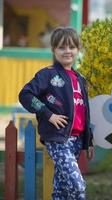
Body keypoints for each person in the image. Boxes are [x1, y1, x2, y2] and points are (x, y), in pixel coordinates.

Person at [19, 27, 94, 200]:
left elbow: (84, 112)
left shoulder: (80, 79)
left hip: (76, 141)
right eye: (62, 47)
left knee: (61, 191)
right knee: (78, 187)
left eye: (71, 47)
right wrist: (48, 114)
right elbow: (26, 94)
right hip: (58, 139)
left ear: (78, 49)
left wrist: (88, 141)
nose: (67, 51)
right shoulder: (48, 75)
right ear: (53, 50)